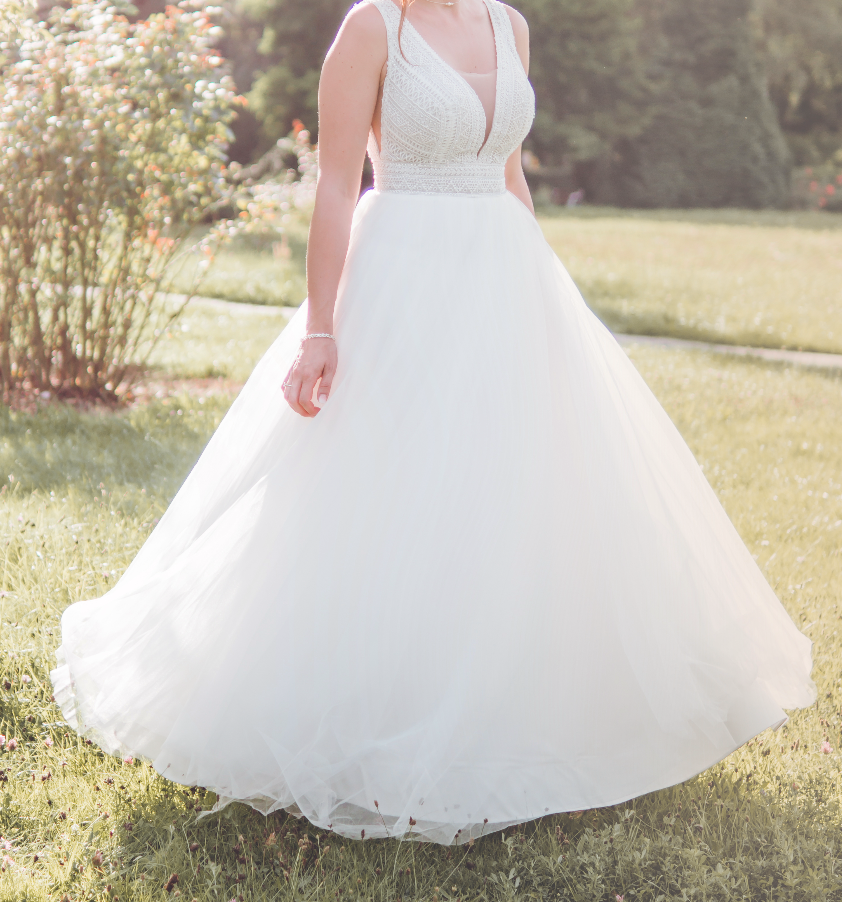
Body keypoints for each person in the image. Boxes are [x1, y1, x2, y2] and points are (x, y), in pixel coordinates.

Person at [51, 0, 815, 846]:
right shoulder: (373, 29)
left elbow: (510, 175)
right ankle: (381, 710)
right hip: (402, 288)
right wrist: (320, 329)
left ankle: (516, 708)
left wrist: (545, 296)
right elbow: (337, 184)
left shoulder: (510, 26)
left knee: (517, 498)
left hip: (504, 285)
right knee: (391, 494)